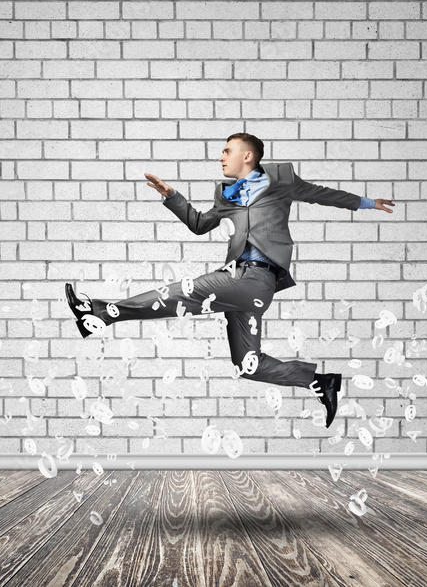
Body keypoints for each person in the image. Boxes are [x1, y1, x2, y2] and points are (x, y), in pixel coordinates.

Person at [65, 132, 396, 428]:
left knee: (188, 292)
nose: (221, 157)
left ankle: (101, 312)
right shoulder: (227, 195)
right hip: (241, 282)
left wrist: (368, 203)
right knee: (249, 364)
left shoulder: (282, 179)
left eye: (227, 151)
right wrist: (172, 196)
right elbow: (199, 224)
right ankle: (319, 381)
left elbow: (322, 194)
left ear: (247, 156)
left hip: (256, 279)